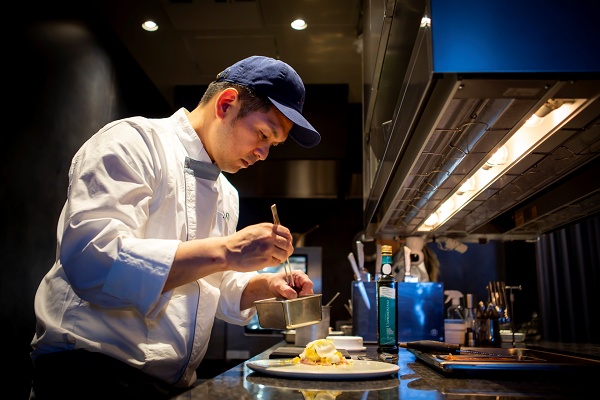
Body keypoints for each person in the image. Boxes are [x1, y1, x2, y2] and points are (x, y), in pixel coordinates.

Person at [29, 55, 321, 398]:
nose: (263, 154)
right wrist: (227, 250)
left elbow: (212, 283)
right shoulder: (134, 142)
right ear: (226, 104)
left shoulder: (226, 193)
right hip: (89, 375)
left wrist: (266, 285)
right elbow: (94, 260)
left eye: (273, 145)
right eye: (262, 134)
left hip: (169, 385)